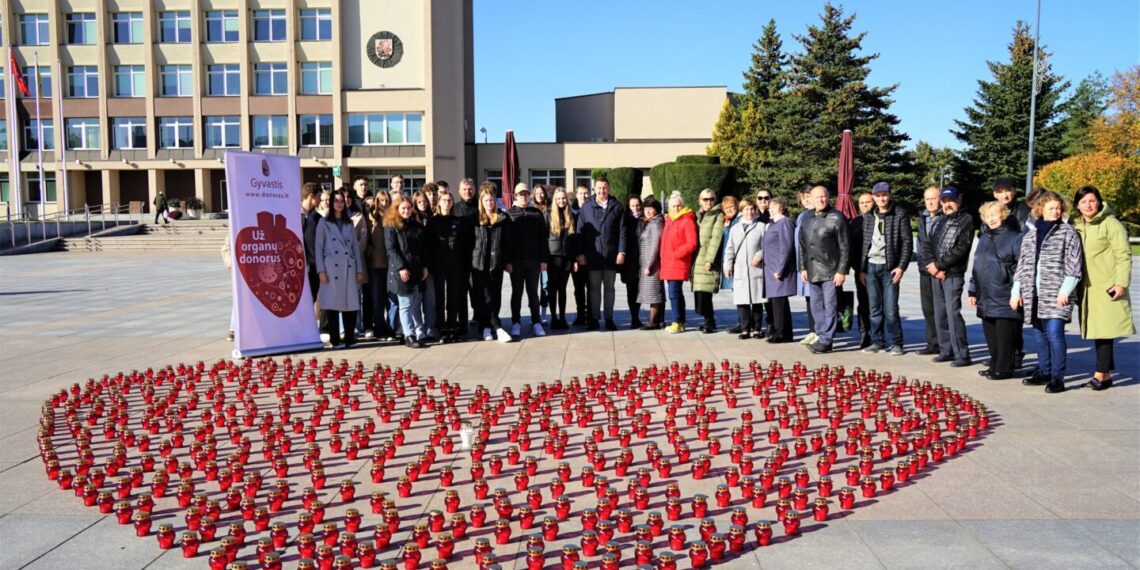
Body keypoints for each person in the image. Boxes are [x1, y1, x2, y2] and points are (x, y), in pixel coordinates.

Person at [1013, 191, 1083, 393]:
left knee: (1054, 333)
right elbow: (1022, 265)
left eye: (1058, 208)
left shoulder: (1068, 233)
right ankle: (1043, 371)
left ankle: (1057, 377)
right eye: (1051, 208)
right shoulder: (1031, 235)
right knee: (1039, 334)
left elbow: (1074, 266)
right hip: (1033, 293)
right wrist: (1016, 292)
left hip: (1057, 294)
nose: (1055, 211)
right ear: (1040, 209)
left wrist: (1066, 290)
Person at [1072, 186, 1134, 390]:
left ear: (1099, 201)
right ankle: (1105, 373)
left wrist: (1121, 283)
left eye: (1092, 200)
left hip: (1107, 286)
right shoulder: (1077, 225)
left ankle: (1101, 374)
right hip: (1086, 287)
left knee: (1105, 331)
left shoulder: (1111, 224)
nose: (1088, 205)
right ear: (1077, 205)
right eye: (1083, 202)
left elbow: (1123, 255)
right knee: (1098, 331)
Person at [968, 202, 1023, 380]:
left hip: (1005, 292)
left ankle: (1005, 367)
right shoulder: (984, 237)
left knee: (1004, 335)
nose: (990, 218)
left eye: (994, 214)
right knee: (991, 335)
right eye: (986, 215)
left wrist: (1017, 292)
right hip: (985, 293)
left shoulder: (1015, 237)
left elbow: (1022, 267)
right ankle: (995, 364)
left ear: (1003, 215)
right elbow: (977, 266)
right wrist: (972, 290)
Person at [857, 182, 913, 355]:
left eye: (884, 195)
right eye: (877, 195)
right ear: (873, 197)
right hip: (871, 267)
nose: (881, 198)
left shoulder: (899, 214)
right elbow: (864, 244)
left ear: (889, 195)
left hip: (890, 268)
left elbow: (907, 242)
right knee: (874, 308)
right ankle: (877, 341)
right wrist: (861, 268)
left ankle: (897, 342)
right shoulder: (868, 216)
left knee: (890, 309)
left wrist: (901, 267)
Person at [923, 186, 975, 367]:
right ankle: (946, 350)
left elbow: (961, 248)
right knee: (940, 314)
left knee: (953, 314)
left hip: (953, 274)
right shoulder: (939, 221)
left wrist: (940, 265)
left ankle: (962, 354)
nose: (947, 204)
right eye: (944, 201)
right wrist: (933, 266)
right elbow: (927, 244)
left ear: (958, 200)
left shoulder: (966, 220)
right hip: (936, 274)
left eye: (950, 201)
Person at [798, 185, 849, 354]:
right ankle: (820, 335)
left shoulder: (837, 217)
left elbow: (845, 247)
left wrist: (842, 271)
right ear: (810, 199)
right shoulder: (806, 218)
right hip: (812, 270)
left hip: (830, 270)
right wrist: (803, 267)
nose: (820, 200)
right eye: (817, 197)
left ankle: (827, 339)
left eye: (823, 196)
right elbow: (802, 245)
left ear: (828, 198)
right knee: (816, 306)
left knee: (830, 306)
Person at [575, 175, 627, 331]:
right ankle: (594, 319)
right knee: (594, 289)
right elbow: (579, 232)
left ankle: (609, 319)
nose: (602, 191)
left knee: (609, 289)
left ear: (609, 188)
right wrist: (580, 253)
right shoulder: (586, 208)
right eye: (599, 188)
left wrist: (621, 251)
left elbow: (622, 232)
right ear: (594, 189)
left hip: (611, 256)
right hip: (593, 256)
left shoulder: (617, 207)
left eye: (604, 188)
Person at [316, 193, 366, 349]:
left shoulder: (349, 223)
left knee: (350, 303)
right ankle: (335, 339)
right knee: (332, 304)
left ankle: (350, 338)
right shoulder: (324, 223)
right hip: (331, 267)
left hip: (348, 267)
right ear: (330, 203)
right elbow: (318, 247)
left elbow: (355, 248)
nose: (339, 204)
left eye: (341, 201)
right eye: (336, 201)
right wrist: (321, 270)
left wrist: (359, 269)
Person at [385, 196, 430, 349]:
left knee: (415, 303)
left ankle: (415, 332)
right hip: (401, 271)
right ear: (397, 209)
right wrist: (401, 267)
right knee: (405, 304)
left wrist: (424, 266)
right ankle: (408, 335)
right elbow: (392, 249)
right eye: (403, 208)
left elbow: (423, 248)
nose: (406, 211)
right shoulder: (391, 226)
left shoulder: (416, 225)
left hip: (417, 269)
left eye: (409, 208)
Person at [427, 190, 470, 344]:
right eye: (444, 200)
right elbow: (429, 245)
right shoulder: (433, 221)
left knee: (454, 297)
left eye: (449, 200)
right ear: (439, 203)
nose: (447, 203)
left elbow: (465, 245)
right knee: (439, 298)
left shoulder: (458, 221)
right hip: (438, 264)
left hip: (456, 264)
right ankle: (441, 328)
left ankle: (452, 326)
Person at [506, 183, 549, 338]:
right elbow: (506, 241)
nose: (523, 197)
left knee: (533, 293)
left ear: (529, 195)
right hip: (516, 262)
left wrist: (544, 260)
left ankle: (536, 322)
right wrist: (507, 261)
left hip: (533, 261)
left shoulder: (536, 213)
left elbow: (543, 239)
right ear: (515, 196)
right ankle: (516, 322)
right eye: (520, 194)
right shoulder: (509, 214)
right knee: (516, 293)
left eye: (525, 194)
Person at [472, 187, 512, 343]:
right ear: (482, 202)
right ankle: (496, 327)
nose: (489, 202)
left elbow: (509, 242)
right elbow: (470, 242)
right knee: (484, 297)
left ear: (495, 202)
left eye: (491, 200)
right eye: (486, 200)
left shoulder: (503, 218)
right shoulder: (475, 219)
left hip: (496, 263)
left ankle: (486, 328)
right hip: (479, 264)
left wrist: (507, 261)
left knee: (496, 295)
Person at [724, 196, 766, 339]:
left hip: (756, 269)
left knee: (757, 301)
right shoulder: (735, 228)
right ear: (741, 211)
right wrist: (727, 265)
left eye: (751, 209)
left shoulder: (761, 227)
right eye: (746, 209)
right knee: (742, 302)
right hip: (741, 269)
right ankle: (744, 329)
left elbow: (767, 246)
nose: (749, 212)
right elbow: (729, 248)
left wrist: (760, 254)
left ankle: (757, 329)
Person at [660, 192, 698, 333]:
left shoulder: (686, 220)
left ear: (682, 205)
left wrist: (677, 254)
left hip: (677, 262)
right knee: (676, 293)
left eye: (678, 205)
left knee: (674, 293)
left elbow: (692, 243)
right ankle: (681, 321)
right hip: (669, 263)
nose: (676, 208)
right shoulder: (670, 220)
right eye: (673, 206)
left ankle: (677, 321)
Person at [762, 198, 796, 342]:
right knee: (778, 301)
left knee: (778, 302)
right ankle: (786, 332)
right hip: (771, 269)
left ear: (782, 208)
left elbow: (786, 246)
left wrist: (780, 268)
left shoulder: (784, 222)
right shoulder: (772, 224)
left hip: (778, 269)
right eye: (770, 206)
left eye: (774, 206)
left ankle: (780, 333)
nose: (771, 208)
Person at [914, 186, 942, 355]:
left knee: (942, 309)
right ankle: (932, 343)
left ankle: (946, 344)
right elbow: (921, 245)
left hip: (940, 270)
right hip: (925, 270)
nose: (930, 202)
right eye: (927, 199)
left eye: (934, 198)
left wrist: (938, 266)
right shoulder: (922, 218)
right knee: (928, 308)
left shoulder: (945, 217)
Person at [366, 190, 397, 342]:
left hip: (391, 265)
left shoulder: (393, 217)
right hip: (375, 264)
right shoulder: (371, 217)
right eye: (381, 201)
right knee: (377, 299)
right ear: (377, 202)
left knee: (391, 299)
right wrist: (370, 251)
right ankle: (379, 328)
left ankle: (391, 328)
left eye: (386, 201)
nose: (384, 204)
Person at [693, 189, 725, 333]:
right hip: (697, 259)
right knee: (699, 293)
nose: (708, 202)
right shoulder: (697, 215)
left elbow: (715, 238)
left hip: (707, 259)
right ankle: (707, 319)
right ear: (700, 201)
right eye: (705, 199)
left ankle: (710, 322)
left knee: (706, 293)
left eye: (711, 199)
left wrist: (710, 260)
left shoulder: (717, 215)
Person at [545, 187, 577, 331]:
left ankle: (563, 317)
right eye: (558, 198)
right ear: (555, 200)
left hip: (567, 258)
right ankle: (554, 318)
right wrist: (544, 260)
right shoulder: (548, 215)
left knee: (562, 289)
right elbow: (543, 238)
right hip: (553, 257)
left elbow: (575, 238)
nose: (561, 201)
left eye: (563, 198)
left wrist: (575, 259)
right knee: (552, 289)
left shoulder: (571, 215)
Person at [454, 178, 479, 337]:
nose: (467, 192)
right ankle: (462, 325)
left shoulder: (480, 207)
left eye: (470, 189)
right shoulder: (454, 209)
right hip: (459, 258)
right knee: (461, 293)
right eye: (464, 189)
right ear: (459, 191)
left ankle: (481, 320)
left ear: (474, 190)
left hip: (477, 256)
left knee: (478, 292)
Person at [848, 192, 874, 348]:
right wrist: (858, 269)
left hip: (879, 267)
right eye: (862, 202)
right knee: (864, 302)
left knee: (879, 304)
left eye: (868, 202)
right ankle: (864, 334)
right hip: (861, 270)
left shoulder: (879, 219)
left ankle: (878, 333)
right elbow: (852, 248)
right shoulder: (855, 222)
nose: (864, 205)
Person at [637, 197, 666, 329]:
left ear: (656, 210)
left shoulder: (655, 224)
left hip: (652, 265)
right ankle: (660, 321)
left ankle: (652, 321)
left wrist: (649, 265)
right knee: (655, 292)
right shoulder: (652, 222)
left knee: (654, 293)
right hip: (651, 263)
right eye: (646, 209)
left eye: (651, 209)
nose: (647, 211)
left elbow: (655, 245)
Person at [794, 185, 817, 345]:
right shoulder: (802, 216)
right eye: (803, 197)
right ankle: (812, 331)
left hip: (814, 266)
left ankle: (818, 332)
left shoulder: (817, 215)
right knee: (810, 300)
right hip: (803, 265)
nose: (806, 199)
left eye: (808, 195)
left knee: (817, 300)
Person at [570, 184, 593, 327]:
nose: (584, 196)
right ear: (576, 194)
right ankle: (580, 315)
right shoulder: (571, 213)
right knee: (578, 288)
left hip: (591, 256)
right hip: (576, 257)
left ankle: (591, 315)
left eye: (586, 193)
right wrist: (575, 258)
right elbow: (571, 238)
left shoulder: (592, 210)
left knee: (591, 288)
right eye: (581, 193)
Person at [719, 196, 743, 333]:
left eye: (731, 207)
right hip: (730, 261)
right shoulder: (728, 221)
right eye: (726, 208)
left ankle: (744, 322)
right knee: (737, 293)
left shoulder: (739, 220)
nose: (729, 210)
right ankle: (742, 321)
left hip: (738, 262)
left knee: (741, 293)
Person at [622, 194, 644, 329]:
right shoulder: (625, 219)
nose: (635, 208)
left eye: (637, 205)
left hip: (642, 260)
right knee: (631, 290)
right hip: (629, 262)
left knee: (640, 290)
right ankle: (633, 317)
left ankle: (636, 316)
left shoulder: (645, 219)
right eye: (632, 206)